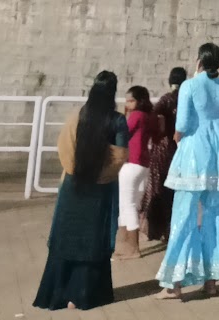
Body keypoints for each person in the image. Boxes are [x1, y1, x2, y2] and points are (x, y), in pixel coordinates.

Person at [154, 42, 219, 300]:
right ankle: (212, 281)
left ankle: (174, 283)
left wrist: (178, 136)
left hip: (194, 154)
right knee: (216, 218)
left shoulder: (190, 86)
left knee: (184, 216)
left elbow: (181, 123)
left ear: (199, 61)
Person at [34, 71, 129, 311]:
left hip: (73, 186)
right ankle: (82, 296)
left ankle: (57, 294)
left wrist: (80, 170)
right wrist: (100, 174)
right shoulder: (117, 120)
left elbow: (64, 147)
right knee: (92, 241)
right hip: (101, 191)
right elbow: (120, 157)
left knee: (66, 237)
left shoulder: (77, 115)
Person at [143, 67, 187, 243]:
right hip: (181, 149)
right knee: (176, 191)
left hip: (163, 149)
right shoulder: (186, 100)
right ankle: (172, 229)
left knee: (158, 189)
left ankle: (156, 229)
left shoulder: (166, 99)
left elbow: (154, 118)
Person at [114, 85, 156, 260]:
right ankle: (126, 243)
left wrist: (124, 115)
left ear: (139, 101)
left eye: (131, 100)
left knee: (126, 204)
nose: (127, 103)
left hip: (132, 162)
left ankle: (132, 247)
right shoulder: (148, 116)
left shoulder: (136, 115)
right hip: (144, 164)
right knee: (133, 203)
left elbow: (122, 132)